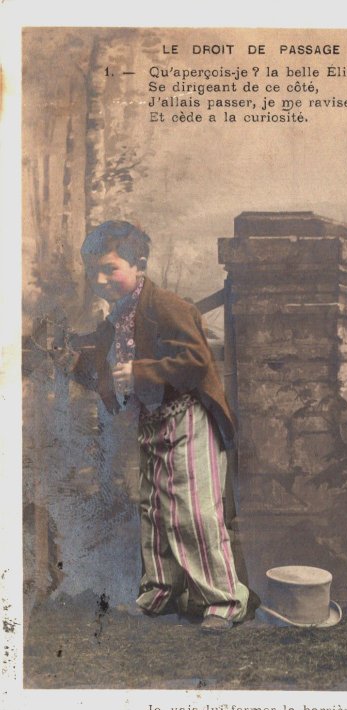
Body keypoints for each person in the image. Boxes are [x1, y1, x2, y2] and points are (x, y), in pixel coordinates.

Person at [55, 220, 249, 631]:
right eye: (93, 272)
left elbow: (197, 362)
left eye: (111, 269)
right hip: (152, 421)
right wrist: (74, 364)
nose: (101, 280)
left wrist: (143, 372)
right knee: (155, 509)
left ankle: (224, 600)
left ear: (139, 265)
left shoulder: (167, 307)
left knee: (195, 512)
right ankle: (162, 589)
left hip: (189, 417)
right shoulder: (114, 322)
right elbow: (106, 371)